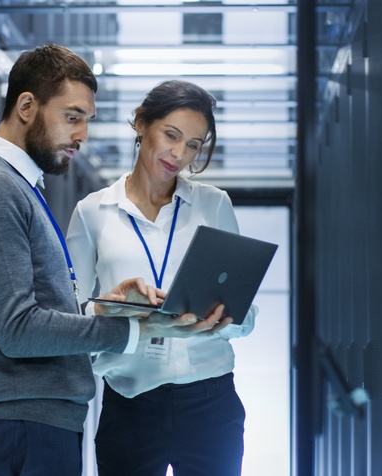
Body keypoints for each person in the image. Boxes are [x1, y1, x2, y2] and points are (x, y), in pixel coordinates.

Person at [0, 46, 232, 476]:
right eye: (72, 117)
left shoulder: (17, 186)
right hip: (26, 424)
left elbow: (46, 311)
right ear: (26, 106)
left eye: (87, 120)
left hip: (38, 422)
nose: (82, 135)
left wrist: (105, 307)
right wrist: (134, 328)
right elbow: (17, 330)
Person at [66, 79, 258, 476]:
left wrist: (224, 319)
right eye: (171, 135)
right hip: (129, 403)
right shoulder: (92, 212)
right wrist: (111, 309)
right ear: (141, 123)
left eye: (193, 144)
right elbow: (70, 318)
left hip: (210, 402)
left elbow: (245, 310)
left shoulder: (213, 204)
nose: (179, 154)